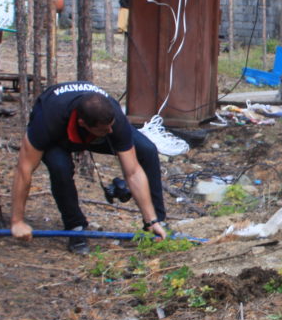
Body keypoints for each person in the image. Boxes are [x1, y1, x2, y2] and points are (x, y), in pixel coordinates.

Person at [10, 81, 169, 253]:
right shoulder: (47, 120)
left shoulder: (112, 120)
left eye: (111, 126)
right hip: (59, 136)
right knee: (60, 168)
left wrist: (151, 220)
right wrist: (17, 221)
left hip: (93, 128)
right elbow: (24, 170)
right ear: (83, 123)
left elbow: (132, 172)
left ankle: (156, 225)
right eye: (104, 129)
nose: (110, 131)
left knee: (147, 150)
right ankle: (75, 227)